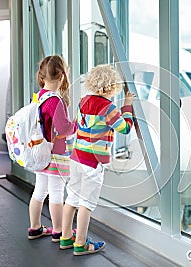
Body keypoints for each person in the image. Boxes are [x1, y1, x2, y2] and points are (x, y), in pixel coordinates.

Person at [60, 64, 135, 255]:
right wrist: (127, 105)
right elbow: (125, 128)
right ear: (112, 87)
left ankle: (66, 237)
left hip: (76, 157)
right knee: (86, 203)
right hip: (92, 163)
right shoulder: (108, 107)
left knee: (72, 198)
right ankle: (81, 243)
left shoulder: (83, 101)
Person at [27, 55, 77, 242]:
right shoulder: (55, 100)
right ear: (63, 75)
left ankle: (35, 227)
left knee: (39, 190)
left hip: (40, 151)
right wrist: (76, 125)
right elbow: (64, 128)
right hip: (55, 153)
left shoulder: (39, 96)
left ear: (42, 76)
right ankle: (58, 231)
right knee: (56, 192)